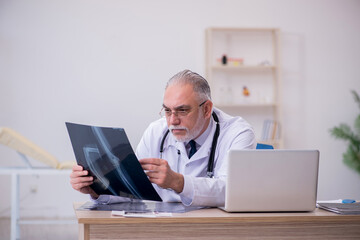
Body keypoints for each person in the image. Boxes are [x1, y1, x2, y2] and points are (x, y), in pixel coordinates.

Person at [70, 69, 256, 207]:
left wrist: (178, 182)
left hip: (217, 228)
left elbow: (232, 190)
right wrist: (96, 189)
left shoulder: (237, 133)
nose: (173, 120)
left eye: (182, 110)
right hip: (165, 225)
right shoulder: (156, 131)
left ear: (206, 109)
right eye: (167, 111)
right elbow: (136, 190)